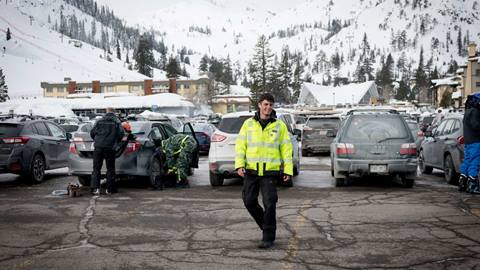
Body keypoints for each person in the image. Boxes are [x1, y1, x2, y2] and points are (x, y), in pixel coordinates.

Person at [235, 93, 293, 249]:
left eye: (271, 105)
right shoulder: (248, 124)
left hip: (270, 172)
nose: (268, 108)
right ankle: (265, 225)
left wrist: (288, 170)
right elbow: (241, 146)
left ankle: (268, 237)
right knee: (249, 201)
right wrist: (239, 164)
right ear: (259, 105)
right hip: (251, 171)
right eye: (265, 104)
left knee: (270, 204)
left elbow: (286, 149)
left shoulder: (279, 126)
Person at [90, 108, 124, 195]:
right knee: (110, 168)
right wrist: (116, 141)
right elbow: (121, 134)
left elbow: (92, 132)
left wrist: (97, 140)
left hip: (98, 147)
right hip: (110, 147)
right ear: (114, 113)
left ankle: (95, 189)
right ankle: (110, 189)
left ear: (106, 112)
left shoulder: (99, 121)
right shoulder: (116, 122)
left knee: (96, 168)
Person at [459, 93, 480, 194]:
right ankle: (473, 185)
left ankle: (462, 182)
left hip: (468, 141)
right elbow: (476, 126)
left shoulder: (467, 111)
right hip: (475, 141)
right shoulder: (475, 112)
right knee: (475, 162)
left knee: (467, 161)